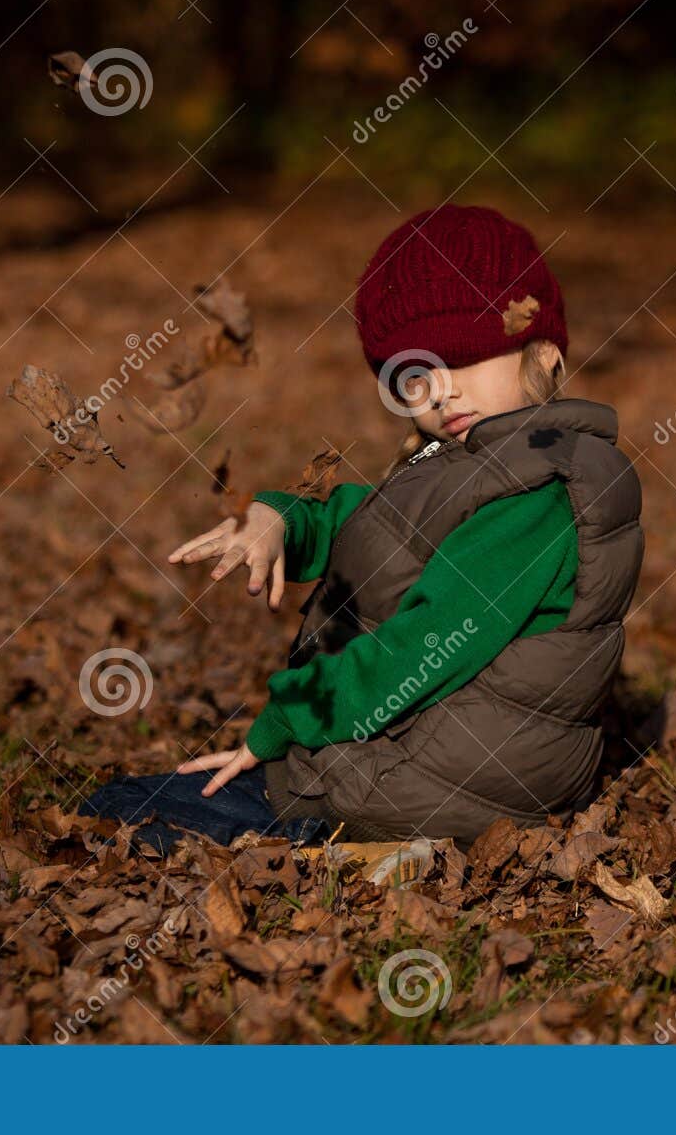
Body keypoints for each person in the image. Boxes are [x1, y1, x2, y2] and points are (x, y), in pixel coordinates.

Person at [80, 204, 644, 854]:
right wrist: (281, 523)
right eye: (415, 375)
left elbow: (416, 653)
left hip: (446, 782)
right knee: (124, 806)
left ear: (542, 351)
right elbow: (381, 531)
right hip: (442, 760)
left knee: (117, 812)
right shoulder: (491, 462)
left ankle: (364, 844)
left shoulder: (537, 496)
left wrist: (286, 724)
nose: (440, 392)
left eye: (463, 359)